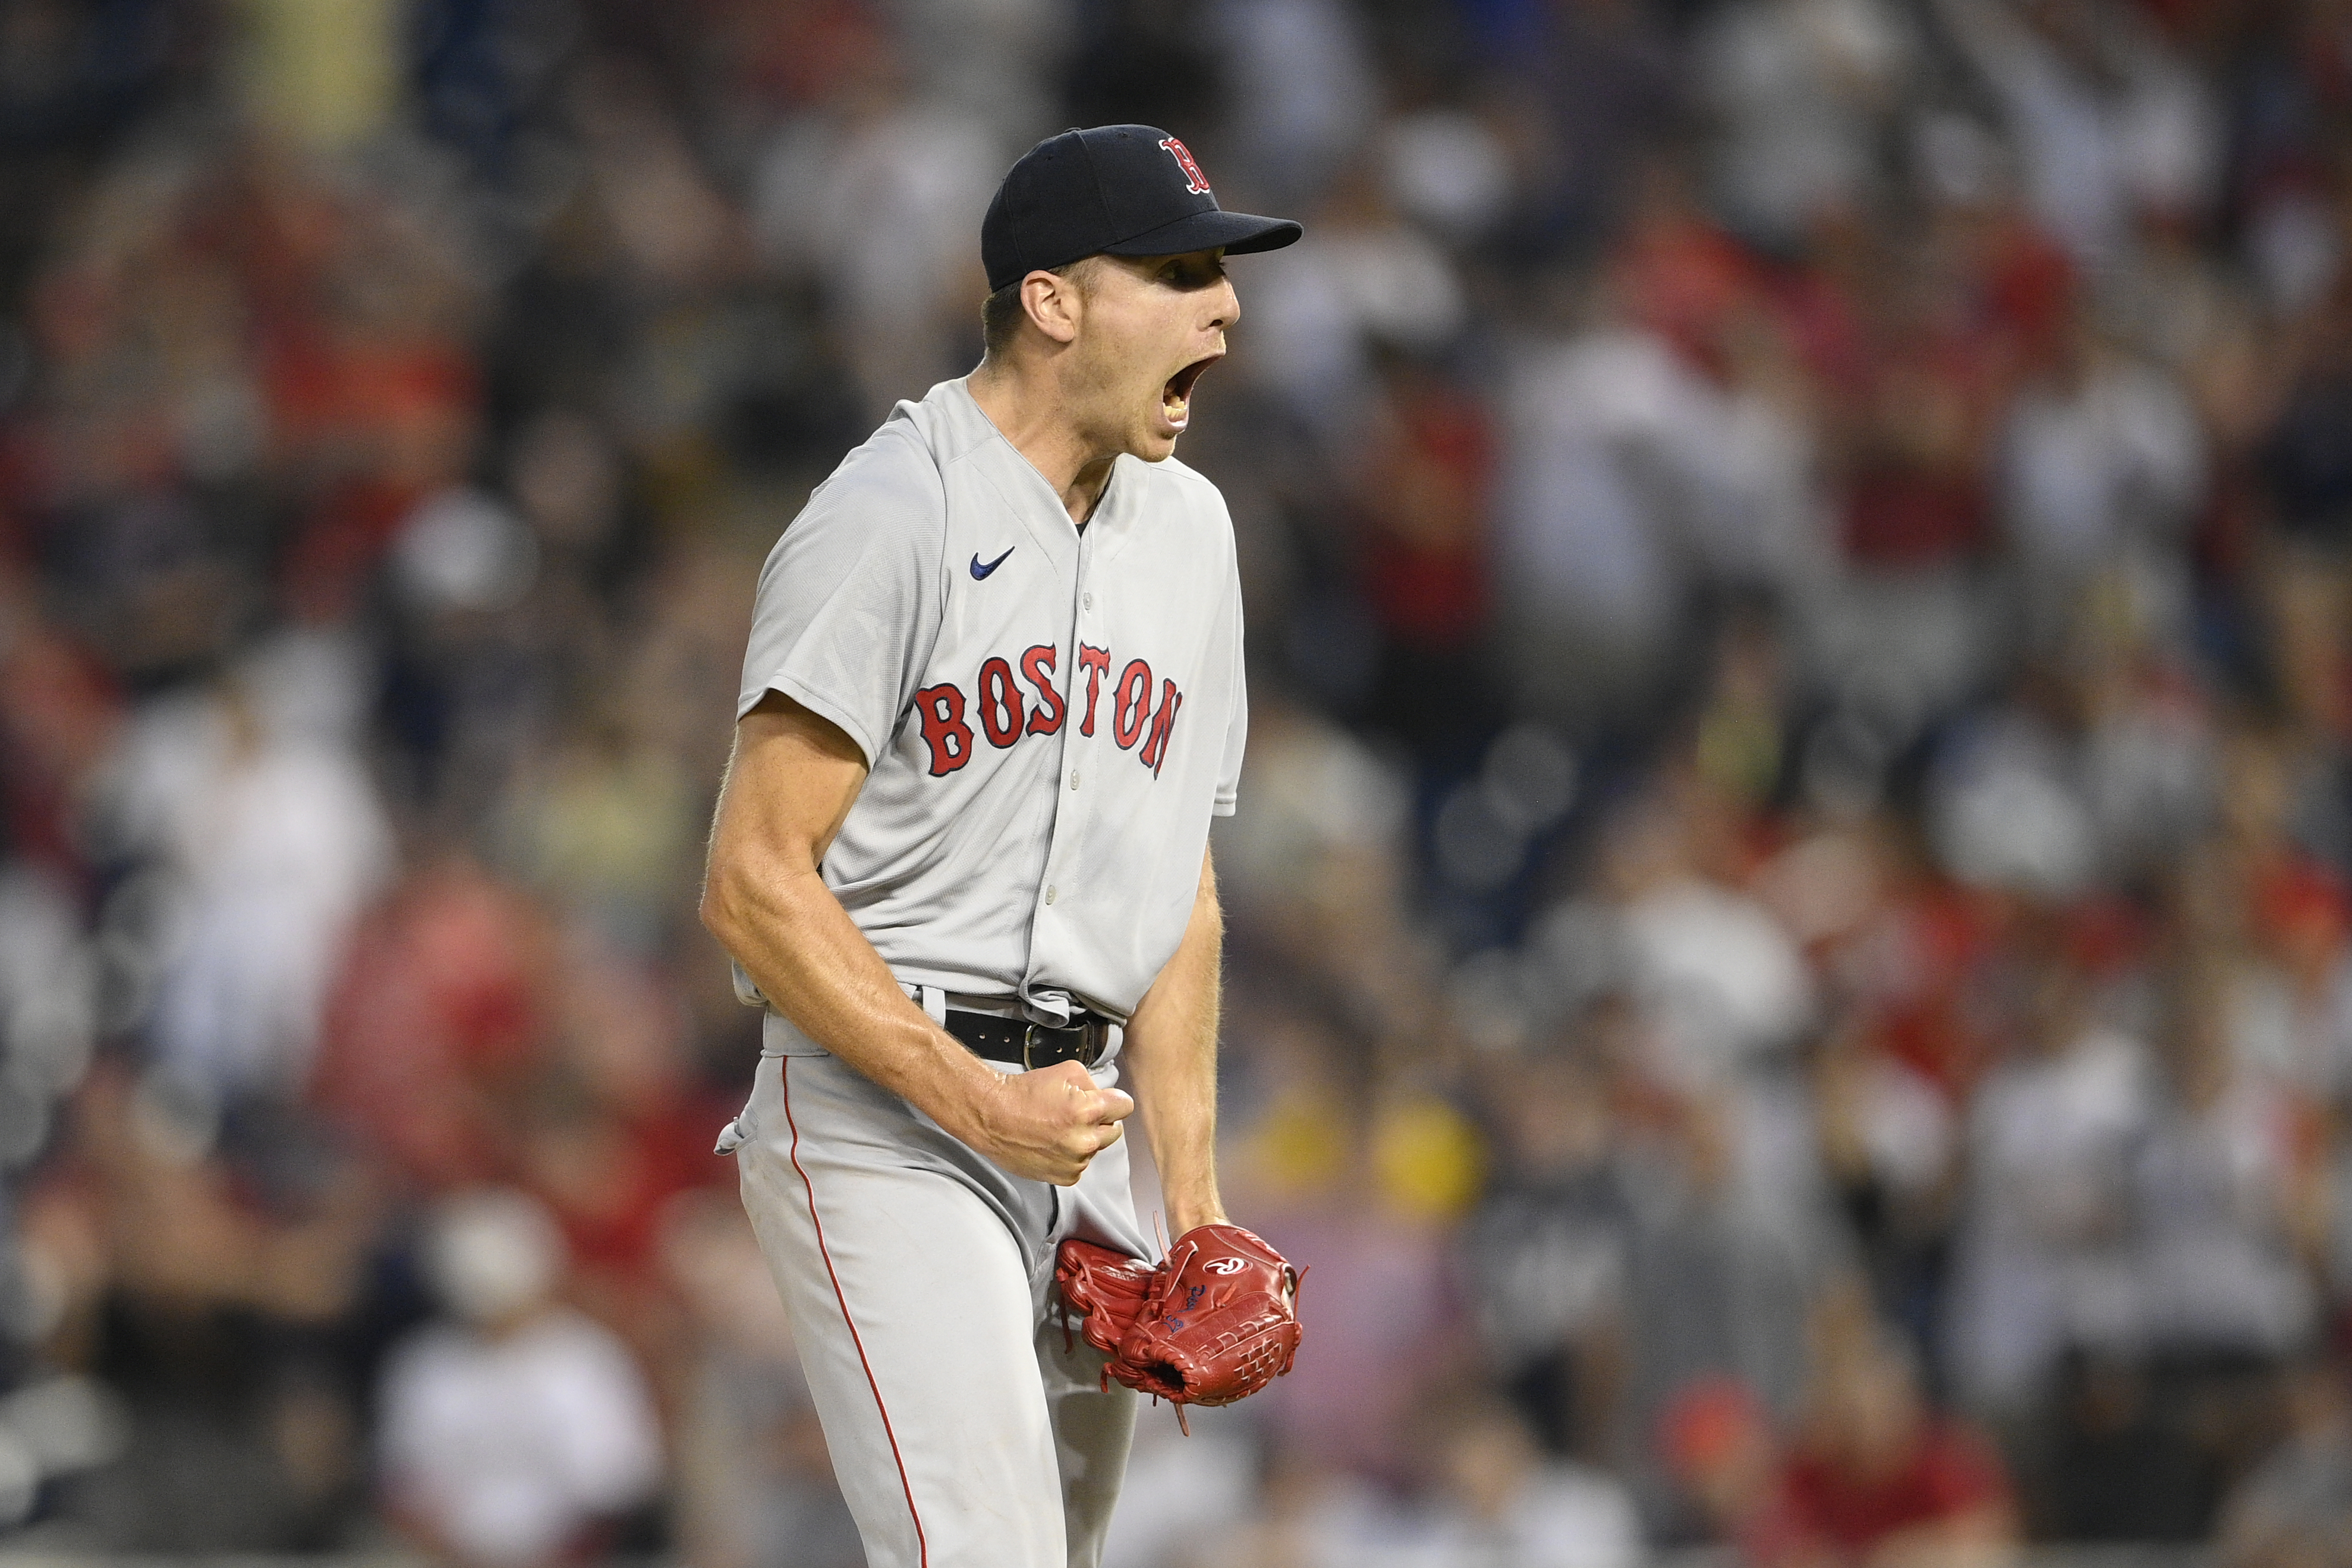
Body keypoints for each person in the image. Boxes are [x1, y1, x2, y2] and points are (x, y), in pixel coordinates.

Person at [698, 124, 1301, 1568]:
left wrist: (1193, 1204)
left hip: (1072, 1130)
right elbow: (750, 878)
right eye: (1177, 270)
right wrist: (975, 1101)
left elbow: (1175, 891)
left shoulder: (1192, 533)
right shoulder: (890, 513)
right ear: (1052, 302)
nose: (1223, 307)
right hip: (881, 1115)